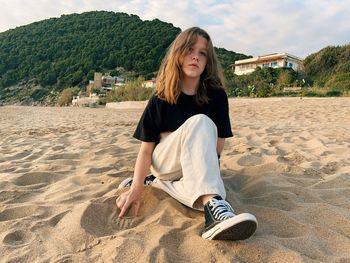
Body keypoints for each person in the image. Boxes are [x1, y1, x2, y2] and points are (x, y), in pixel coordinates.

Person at [116, 27, 257, 240]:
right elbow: (146, 150)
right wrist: (136, 188)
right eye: (190, 50)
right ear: (178, 54)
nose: (195, 57)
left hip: (193, 166)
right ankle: (211, 205)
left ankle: (165, 187)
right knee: (201, 122)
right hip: (164, 163)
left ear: (208, 61)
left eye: (203, 53)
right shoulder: (161, 98)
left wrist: (202, 166)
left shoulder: (217, 96)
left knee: (215, 191)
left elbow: (218, 145)